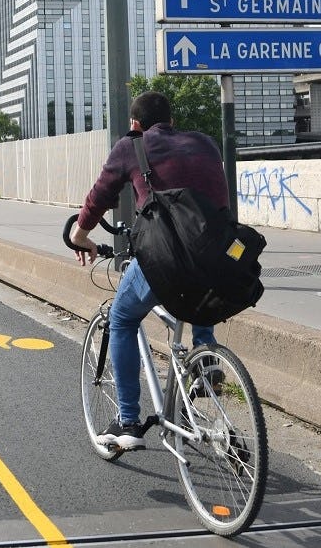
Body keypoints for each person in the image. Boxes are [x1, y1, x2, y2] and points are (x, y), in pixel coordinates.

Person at [70, 90, 228, 450]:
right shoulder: (205, 143)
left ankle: (127, 420)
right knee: (198, 290)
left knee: (123, 318)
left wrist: (80, 236)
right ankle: (206, 360)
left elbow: (99, 197)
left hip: (168, 257)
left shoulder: (132, 146)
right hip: (220, 255)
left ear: (135, 124)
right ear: (171, 119)